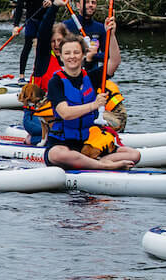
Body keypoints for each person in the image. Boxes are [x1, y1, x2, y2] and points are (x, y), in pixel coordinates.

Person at [42, 29, 141, 172]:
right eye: (67, 53)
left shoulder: (92, 77)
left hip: (89, 144)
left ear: (83, 55)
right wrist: (94, 105)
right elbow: (65, 113)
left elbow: (114, 61)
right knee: (57, 154)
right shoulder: (56, 82)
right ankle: (105, 165)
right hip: (63, 143)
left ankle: (93, 162)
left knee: (134, 154)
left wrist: (111, 34)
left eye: (76, 53)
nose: (72, 57)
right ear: (61, 57)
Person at [10, 0, 60, 76]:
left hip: (45, 19)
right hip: (31, 19)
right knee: (27, 45)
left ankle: (49, 72)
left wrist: (51, 1)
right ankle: (21, 75)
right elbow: (19, 7)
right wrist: (16, 26)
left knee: (47, 46)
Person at [60, 0, 108, 70]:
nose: (90, 5)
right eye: (87, 2)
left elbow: (108, 56)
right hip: (71, 73)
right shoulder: (65, 26)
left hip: (92, 74)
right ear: (78, 5)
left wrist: (93, 55)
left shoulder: (100, 28)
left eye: (93, 2)